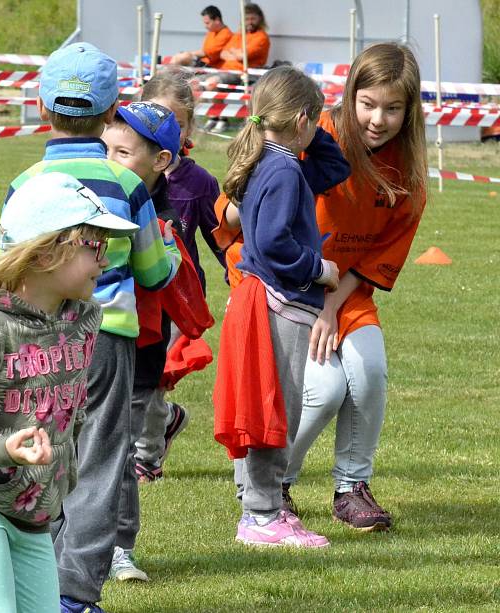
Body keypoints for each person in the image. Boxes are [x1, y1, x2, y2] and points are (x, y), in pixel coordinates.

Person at [6, 42, 181, 613]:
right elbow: (154, 273)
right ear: (112, 115)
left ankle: (26, 572)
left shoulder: (26, 181)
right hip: (107, 339)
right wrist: (173, 257)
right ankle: (74, 590)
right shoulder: (128, 186)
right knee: (102, 457)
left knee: (38, 450)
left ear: (39, 105)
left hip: (33, 335)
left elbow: (3, 269)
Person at [0, 172, 138, 613]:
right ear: (47, 253)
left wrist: (61, 479)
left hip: (32, 510)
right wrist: (1, 448)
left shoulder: (85, 321)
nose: (105, 262)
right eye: (95, 247)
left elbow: (70, 410)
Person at [282, 43, 428, 532]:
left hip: (344, 292)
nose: (378, 119)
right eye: (368, 104)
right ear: (350, 95)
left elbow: (379, 256)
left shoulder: (409, 170)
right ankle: (273, 483)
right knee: (322, 391)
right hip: (288, 287)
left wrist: (332, 305)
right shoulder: (314, 137)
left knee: (369, 373)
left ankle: (351, 488)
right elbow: (256, 214)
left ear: (409, 111)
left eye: (392, 108)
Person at [212, 66, 350, 547]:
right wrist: (319, 269)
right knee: (276, 412)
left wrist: (316, 124)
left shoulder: (272, 160)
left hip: (264, 299)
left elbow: (335, 169)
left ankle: (259, 507)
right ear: (300, 119)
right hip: (281, 303)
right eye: (315, 120)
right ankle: (262, 516)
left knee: (265, 406)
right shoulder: (285, 168)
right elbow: (272, 244)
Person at [132, 67, 227, 488]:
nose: (164, 129)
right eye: (155, 117)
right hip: (134, 295)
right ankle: (168, 421)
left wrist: (237, 274)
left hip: (178, 301)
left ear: (190, 128)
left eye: (176, 122)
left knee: (155, 380)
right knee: (136, 379)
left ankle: (147, 458)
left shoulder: (199, 183)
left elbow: (221, 235)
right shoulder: (127, 173)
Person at [101, 101, 183, 582]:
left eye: (124, 152)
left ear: (160, 162)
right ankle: (65, 538)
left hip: (139, 352)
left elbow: (162, 276)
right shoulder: (91, 190)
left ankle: (119, 547)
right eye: (105, 148)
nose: (110, 161)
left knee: (121, 451)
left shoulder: (163, 214)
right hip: (88, 345)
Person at [204, 3, 271, 134]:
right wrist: (237, 53)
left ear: (260, 19)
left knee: (212, 83)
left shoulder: (262, 37)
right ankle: (216, 117)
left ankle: (221, 120)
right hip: (226, 71)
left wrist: (235, 53)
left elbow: (243, 56)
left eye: (253, 18)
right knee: (198, 82)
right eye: (247, 19)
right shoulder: (238, 35)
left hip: (245, 74)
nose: (250, 22)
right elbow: (223, 53)